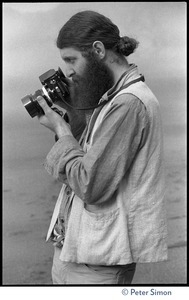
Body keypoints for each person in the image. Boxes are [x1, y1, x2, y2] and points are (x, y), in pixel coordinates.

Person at [36, 10, 168, 285]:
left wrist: (61, 130)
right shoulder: (113, 97)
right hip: (76, 251)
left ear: (97, 50)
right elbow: (87, 157)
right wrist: (68, 115)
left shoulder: (128, 103)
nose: (68, 71)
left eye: (71, 60)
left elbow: (89, 184)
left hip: (97, 263)